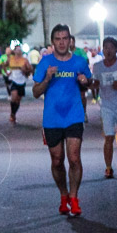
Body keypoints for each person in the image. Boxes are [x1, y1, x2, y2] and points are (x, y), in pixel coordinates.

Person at [33, 24, 90, 216]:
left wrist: (85, 82)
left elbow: (88, 83)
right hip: (52, 118)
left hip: (74, 115)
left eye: (65, 38)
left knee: (74, 158)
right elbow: (35, 92)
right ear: (53, 42)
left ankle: (74, 198)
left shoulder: (79, 62)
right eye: (58, 39)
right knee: (57, 160)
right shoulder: (45, 62)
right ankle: (63, 195)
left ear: (70, 40)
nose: (62, 42)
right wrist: (47, 78)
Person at [90, 36, 117, 179]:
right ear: (102, 50)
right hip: (107, 107)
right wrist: (92, 86)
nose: (108, 50)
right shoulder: (98, 66)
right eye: (105, 48)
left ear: (116, 49)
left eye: (111, 48)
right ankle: (108, 168)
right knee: (108, 137)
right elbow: (95, 83)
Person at [5, 45, 33, 124]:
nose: (18, 51)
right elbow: (5, 65)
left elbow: (30, 70)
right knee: (14, 97)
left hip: (22, 82)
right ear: (14, 51)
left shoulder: (24, 60)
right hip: (13, 80)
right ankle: (12, 114)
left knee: (18, 100)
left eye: (19, 49)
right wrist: (7, 72)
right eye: (17, 49)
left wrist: (25, 70)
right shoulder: (11, 59)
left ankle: (13, 114)